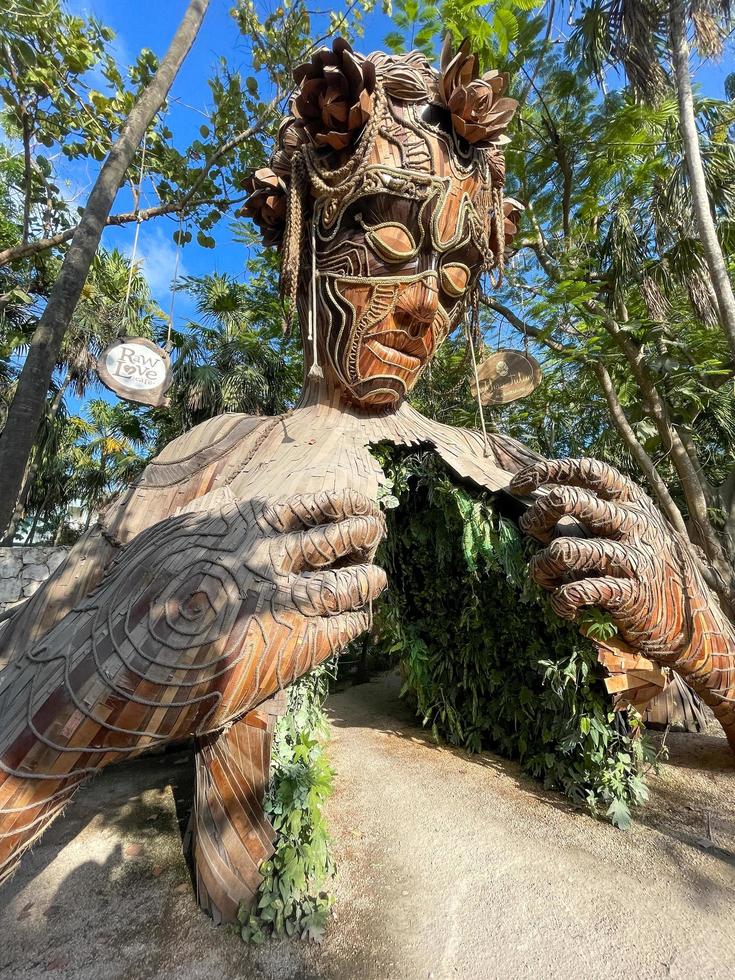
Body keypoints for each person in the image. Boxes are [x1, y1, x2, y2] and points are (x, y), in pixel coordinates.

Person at [1, 38, 732, 923]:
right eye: (390, 242)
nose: (427, 306)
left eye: (456, 275)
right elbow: (24, 662)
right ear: (301, 247)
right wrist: (96, 690)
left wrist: (702, 640)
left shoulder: (504, 468)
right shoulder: (213, 453)